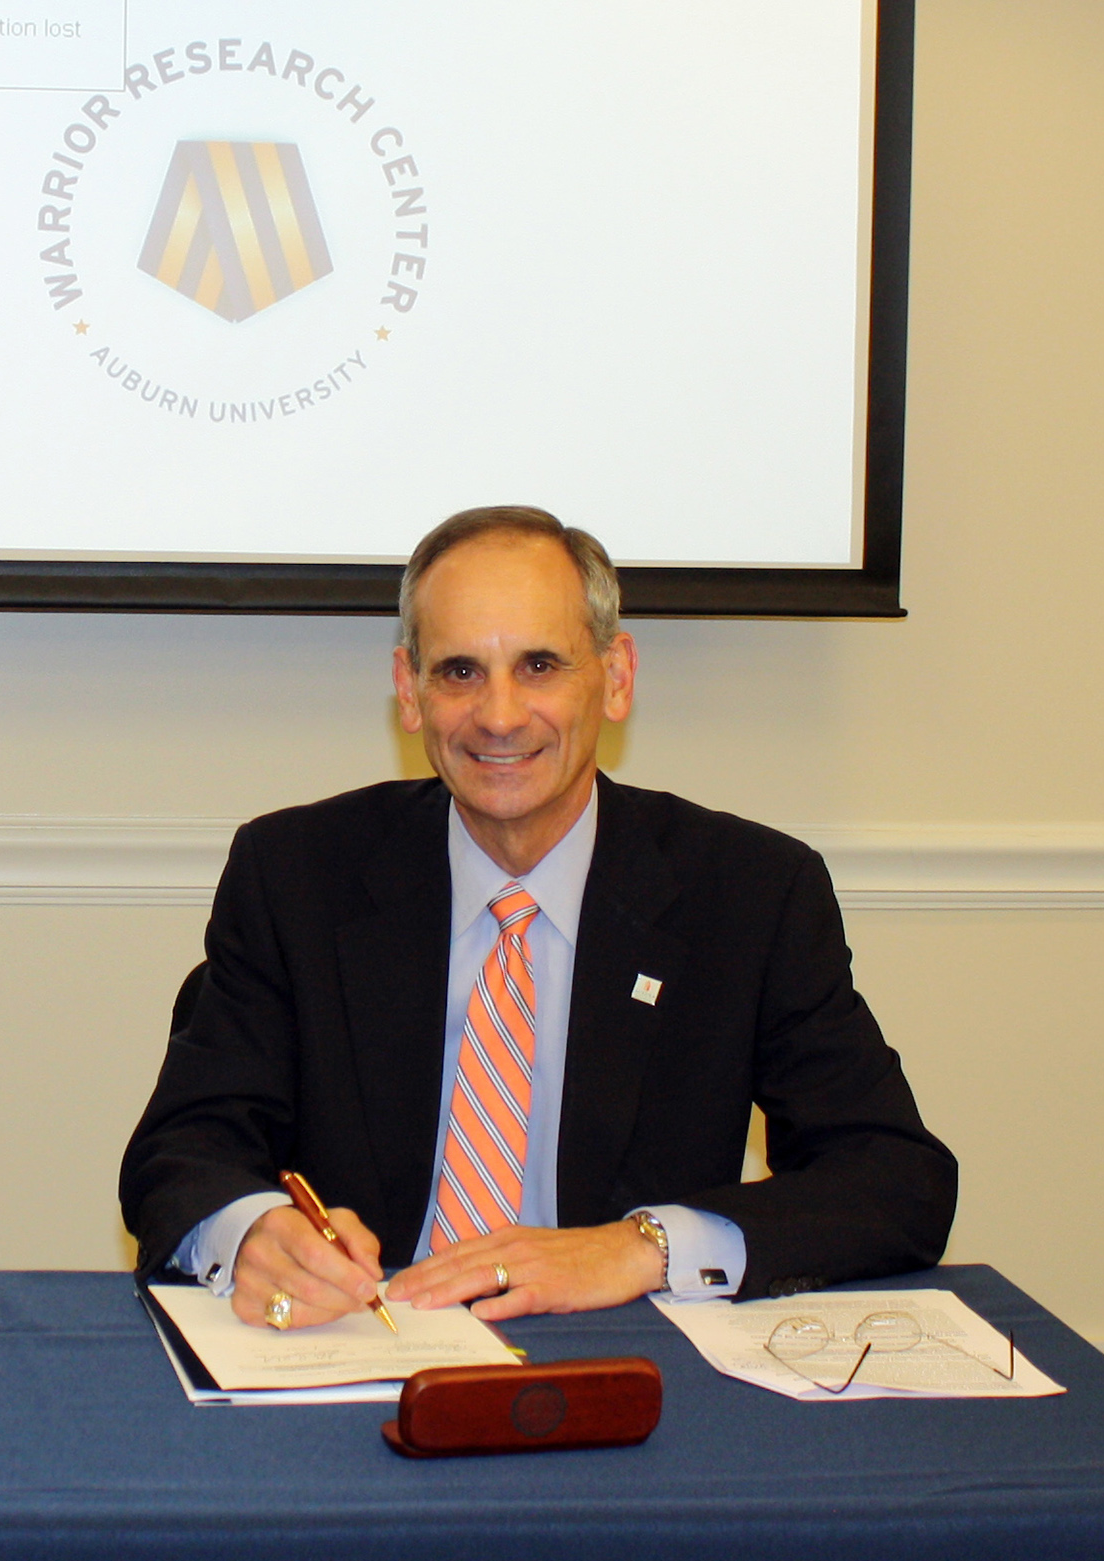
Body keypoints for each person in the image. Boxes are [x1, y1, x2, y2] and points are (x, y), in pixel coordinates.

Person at [120, 505, 955, 1329]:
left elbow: (895, 1177)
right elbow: (186, 1145)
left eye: (541, 665)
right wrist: (253, 1230)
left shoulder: (749, 893)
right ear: (409, 691)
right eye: (459, 672)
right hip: (361, 1345)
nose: (500, 714)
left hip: (632, 1354)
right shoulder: (297, 872)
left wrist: (644, 1246)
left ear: (617, 676)